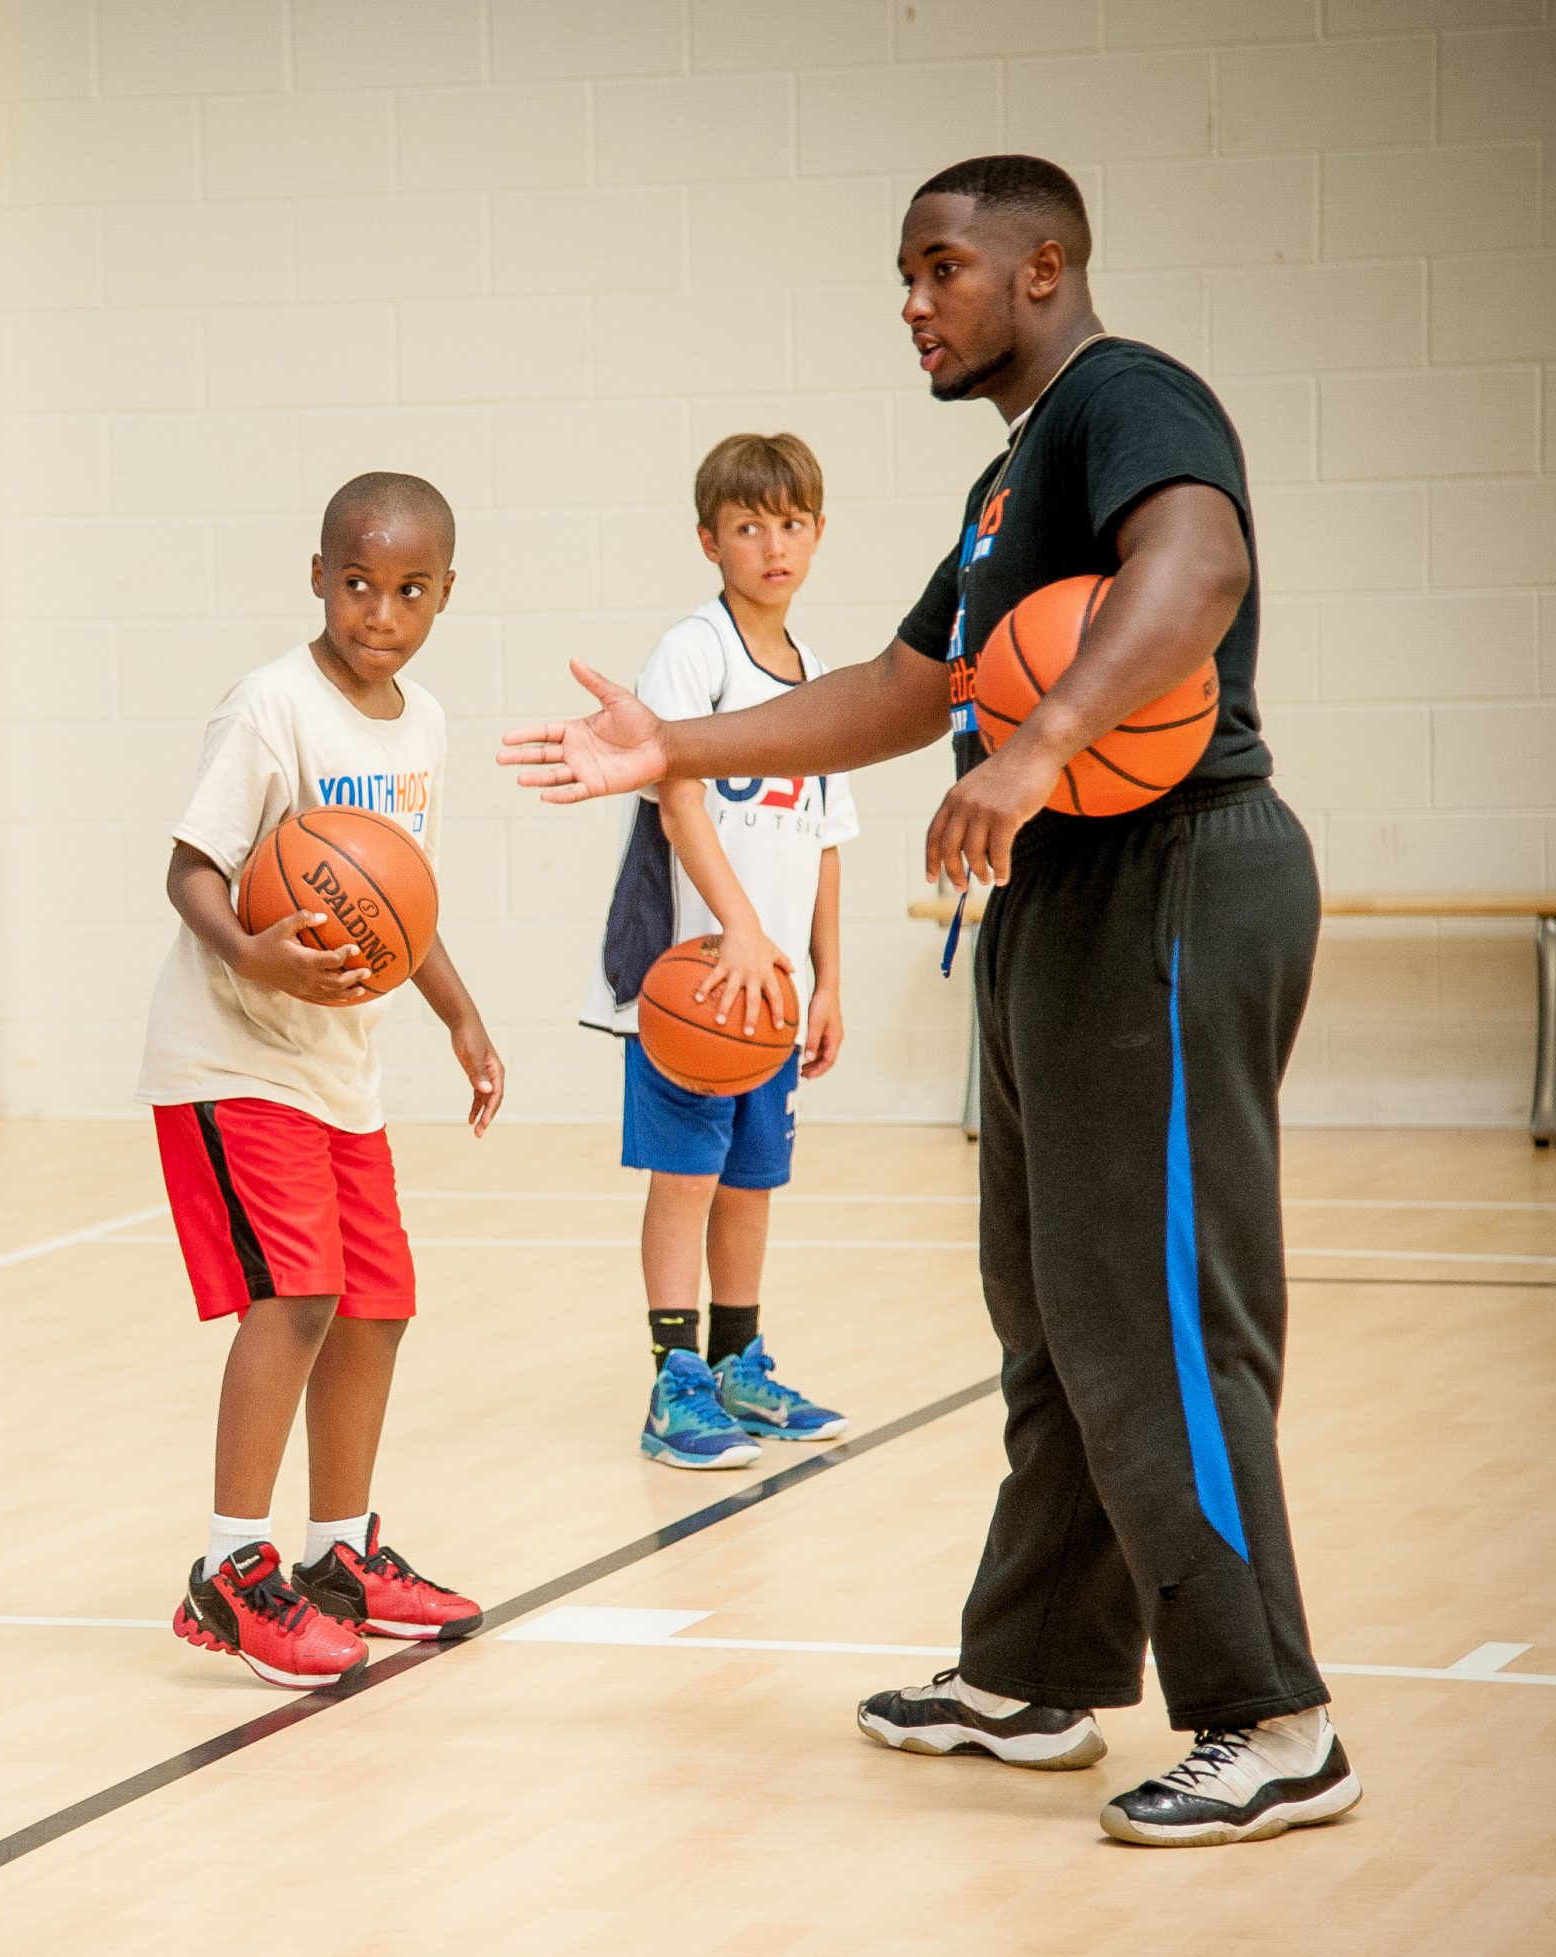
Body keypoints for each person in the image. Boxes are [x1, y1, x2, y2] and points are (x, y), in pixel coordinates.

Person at [502, 157, 1359, 1849]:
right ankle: (1036, 1666)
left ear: (1045, 266)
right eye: (905, 272)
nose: (914, 299)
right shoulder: (1004, 483)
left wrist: (1040, 746)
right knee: (1052, 1303)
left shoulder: (1129, 396)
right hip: (1063, 895)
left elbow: (1196, 565)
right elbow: (904, 686)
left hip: (1176, 874)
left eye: (941, 268)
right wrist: (676, 744)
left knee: (1163, 1307)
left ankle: (1274, 1714)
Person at [138, 472, 504, 1690]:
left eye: (408, 591)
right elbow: (192, 867)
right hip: (233, 1051)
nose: (379, 613)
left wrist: (460, 1018)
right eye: (357, 584)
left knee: (377, 1302)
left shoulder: (427, 727)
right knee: (292, 1298)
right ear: (317, 576)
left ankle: (340, 1557)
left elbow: (405, 907)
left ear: (446, 594)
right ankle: (231, 1573)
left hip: (339, 1068)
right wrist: (248, 948)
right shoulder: (270, 708)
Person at [580, 432, 855, 1471]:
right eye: (748, 526)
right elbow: (675, 790)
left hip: (773, 990)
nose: (772, 545)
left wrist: (828, 977)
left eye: (790, 524)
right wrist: (738, 926)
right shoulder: (693, 652)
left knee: (750, 1182)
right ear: (710, 541)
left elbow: (829, 834)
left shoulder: (822, 677)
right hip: (688, 977)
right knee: (684, 1180)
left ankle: (739, 1363)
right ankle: (673, 1384)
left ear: (818, 535)